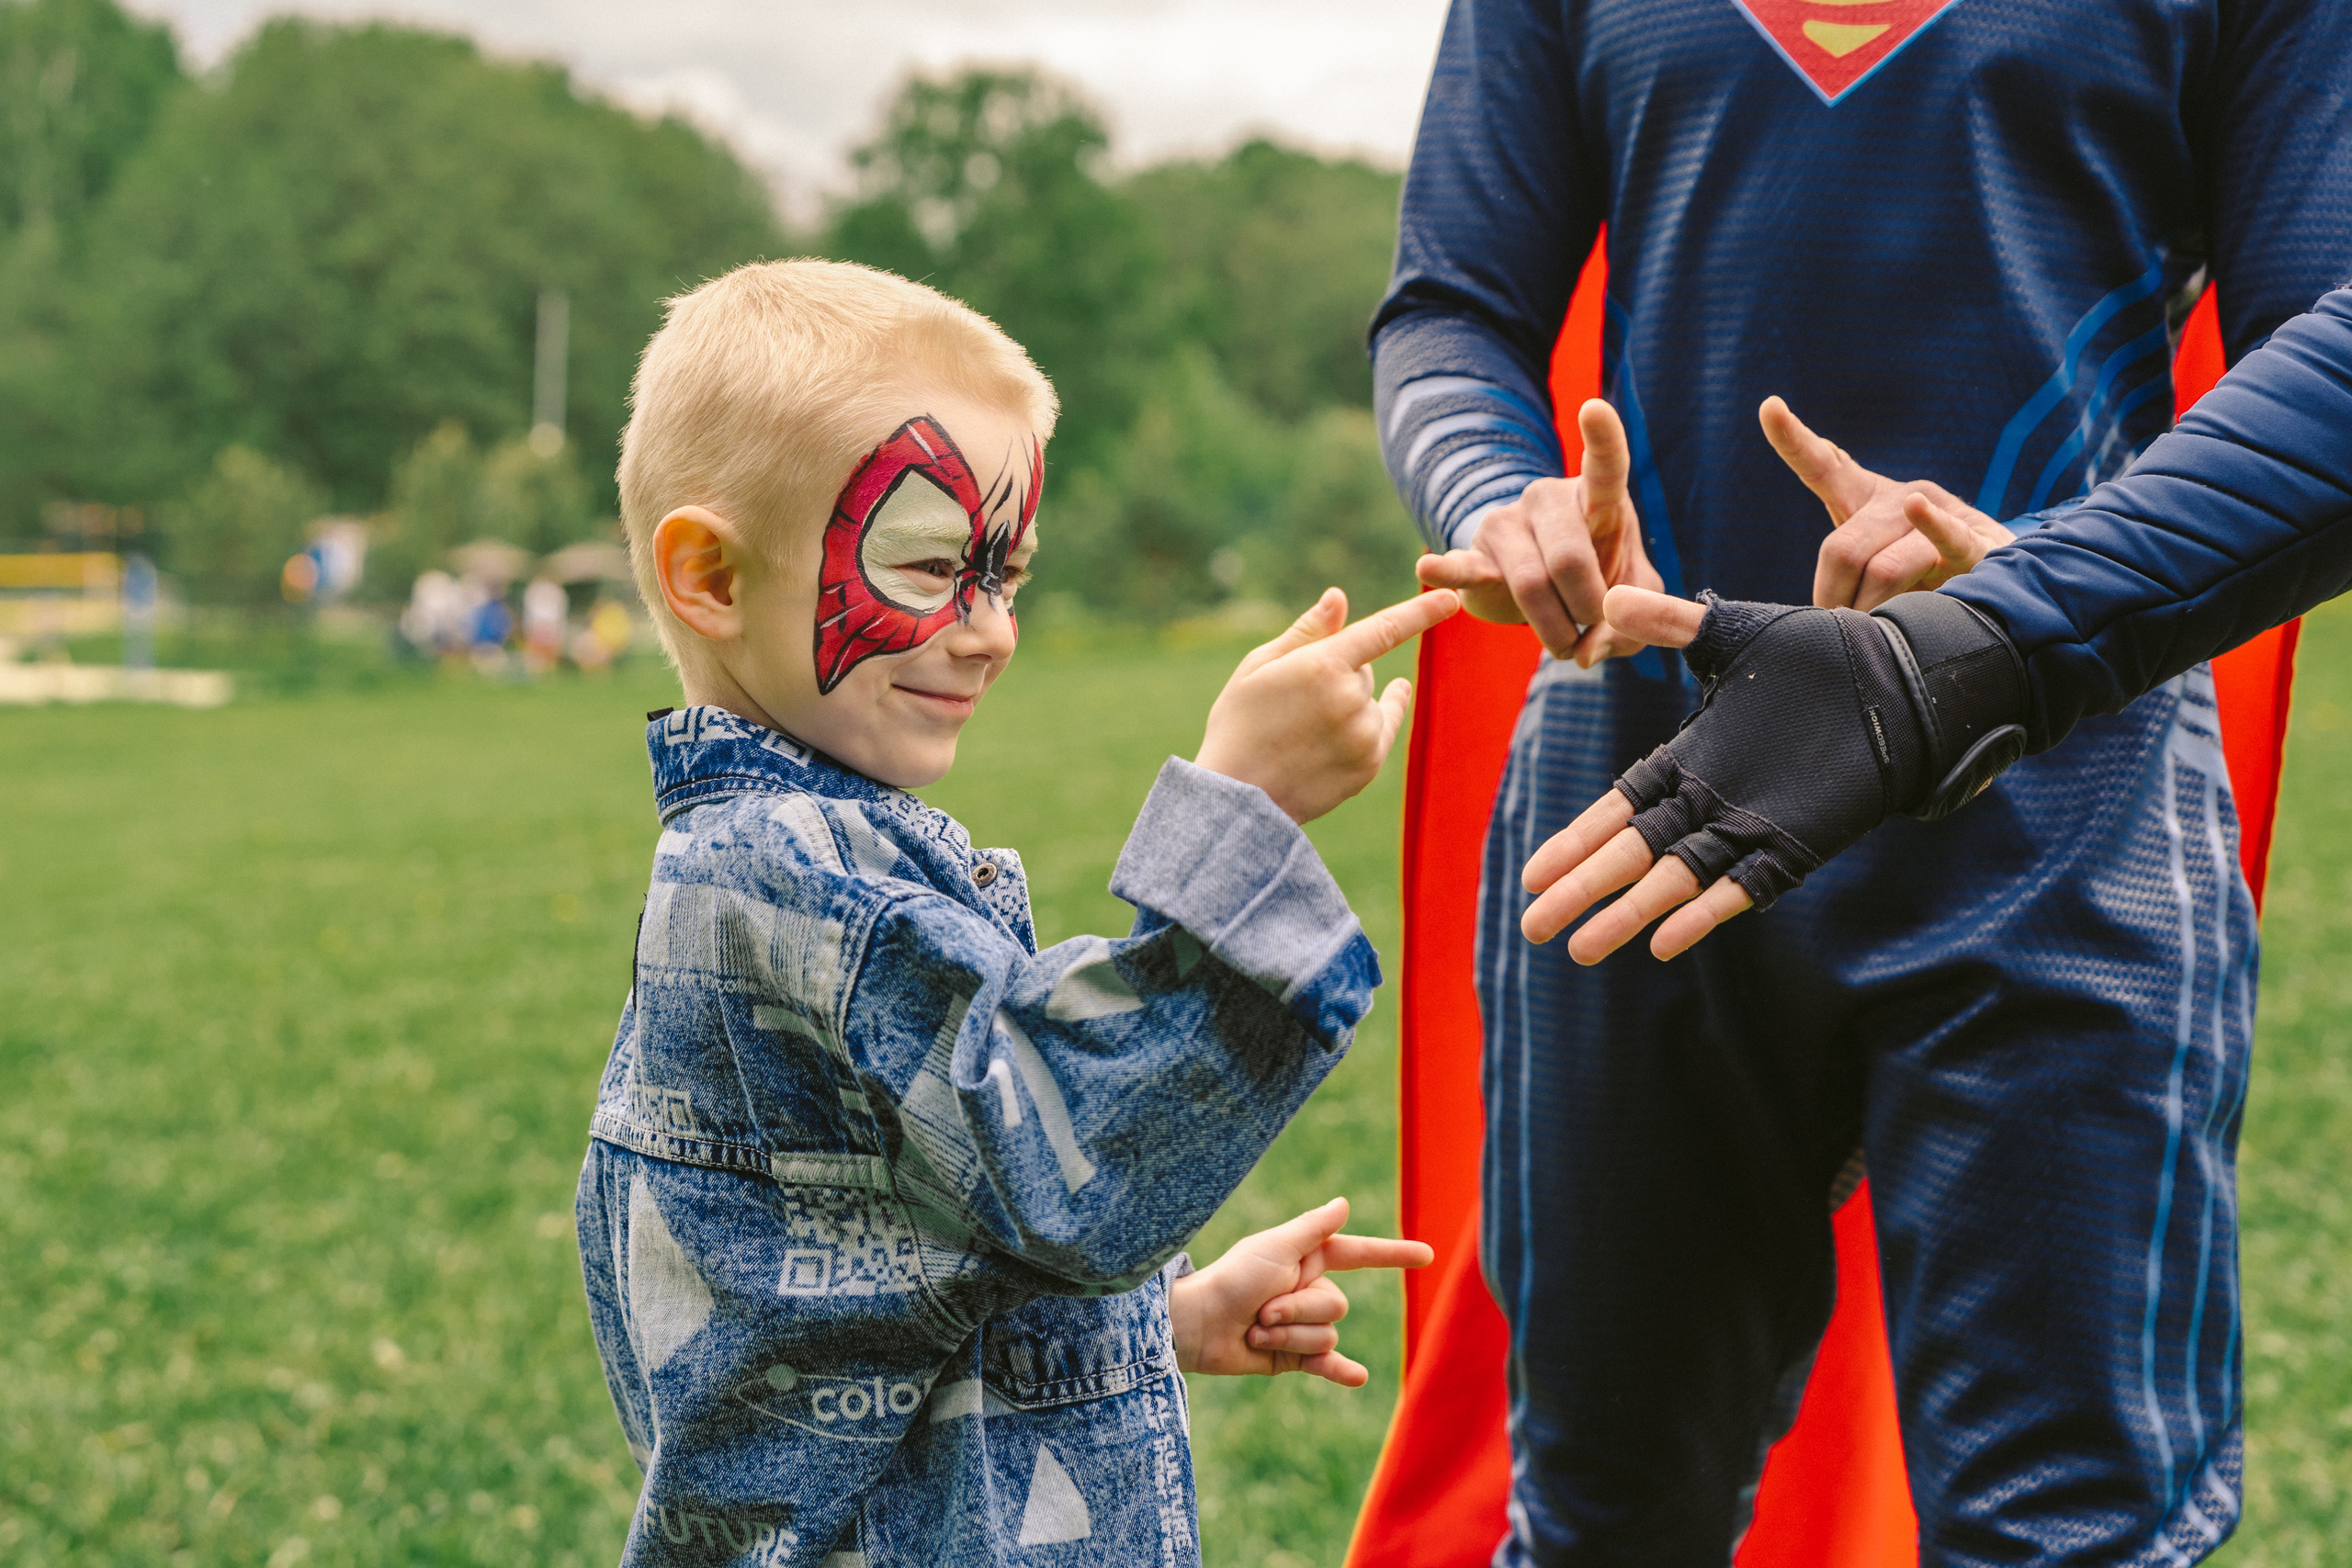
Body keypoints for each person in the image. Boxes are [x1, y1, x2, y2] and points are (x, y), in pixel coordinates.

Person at [1374, 1, 2352, 1560]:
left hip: (2053, 789)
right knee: (1610, 1520)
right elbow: (1449, 308)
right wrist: (1501, 493)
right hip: (1641, 785)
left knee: (2067, 1536)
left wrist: (2012, 613)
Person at [574, 259, 1453, 1566]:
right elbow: (1055, 1154)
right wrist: (1239, 810)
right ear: (710, 577)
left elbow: (924, 1235)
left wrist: (1174, 1312)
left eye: (1009, 572)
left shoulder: (803, 855)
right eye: (934, 567)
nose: (990, 630)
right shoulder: (785, 870)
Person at [1522, 283, 2352, 961]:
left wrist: (2011, 580)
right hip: (1668, 758)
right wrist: (1493, 500)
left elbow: (2308, 357)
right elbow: (1448, 302)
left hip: (2090, 804)